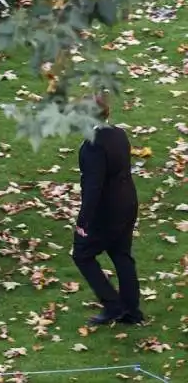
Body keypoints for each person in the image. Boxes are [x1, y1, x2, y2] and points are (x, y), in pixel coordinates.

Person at [71, 94, 144, 325]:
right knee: (122, 255)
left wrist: (83, 222)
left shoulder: (93, 146)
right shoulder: (119, 134)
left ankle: (113, 305)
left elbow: (94, 187)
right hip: (127, 203)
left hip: (107, 212)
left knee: (82, 254)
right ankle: (131, 311)